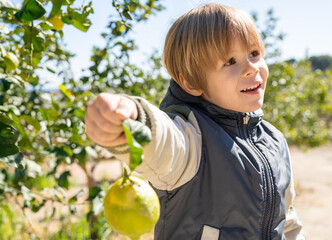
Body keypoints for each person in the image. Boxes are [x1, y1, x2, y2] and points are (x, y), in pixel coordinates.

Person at [85, 4, 304, 240]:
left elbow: (285, 219)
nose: (251, 68)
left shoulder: (274, 140)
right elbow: (164, 142)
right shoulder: (193, 140)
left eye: (254, 54)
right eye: (230, 61)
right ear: (191, 82)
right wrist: (134, 119)